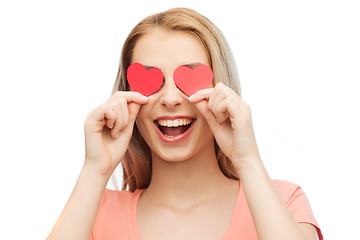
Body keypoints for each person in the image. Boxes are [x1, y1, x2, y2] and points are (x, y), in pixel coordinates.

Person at [47, 8, 323, 240]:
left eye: (190, 78)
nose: (169, 99)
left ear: (222, 91)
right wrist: (95, 170)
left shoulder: (284, 201)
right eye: (151, 81)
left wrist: (247, 159)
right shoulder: (95, 212)